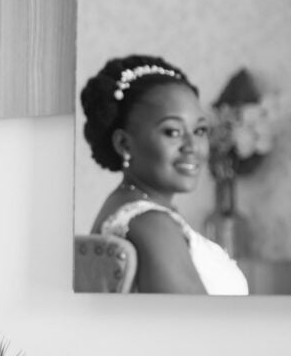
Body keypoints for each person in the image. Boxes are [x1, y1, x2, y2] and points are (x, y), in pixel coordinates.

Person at [79, 54, 248, 295]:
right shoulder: (152, 224)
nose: (192, 146)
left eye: (200, 130)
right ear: (124, 144)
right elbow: (195, 329)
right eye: (172, 131)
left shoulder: (125, 208)